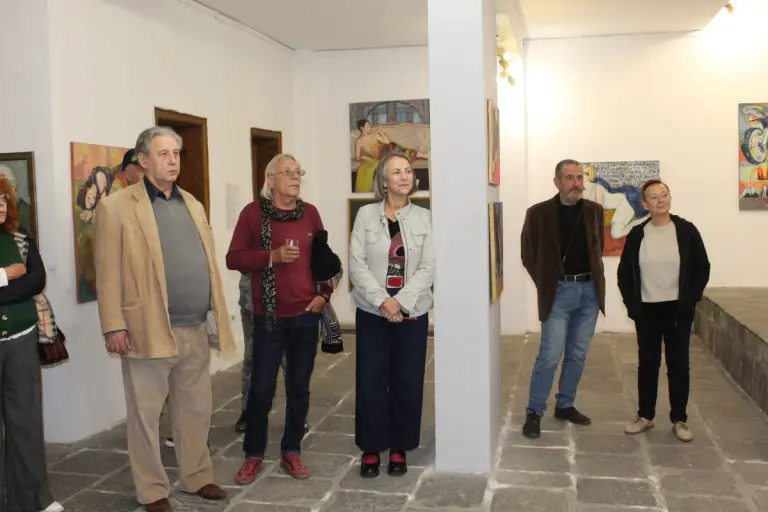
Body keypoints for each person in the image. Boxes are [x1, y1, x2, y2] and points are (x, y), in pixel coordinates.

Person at [93, 126, 234, 512]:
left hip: (194, 326)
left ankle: (197, 476)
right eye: (163, 154)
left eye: (176, 153)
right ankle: (153, 490)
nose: (172, 161)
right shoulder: (117, 207)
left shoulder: (193, 204)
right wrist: (113, 325)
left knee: (195, 409)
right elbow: (106, 273)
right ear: (143, 159)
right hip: (146, 330)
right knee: (146, 416)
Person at [227, 154, 332, 485]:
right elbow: (233, 258)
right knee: (260, 390)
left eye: (298, 172)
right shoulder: (252, 214)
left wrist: (324, 295)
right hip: (268, 317)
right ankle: (253, 455)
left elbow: (326, 261)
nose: (295, 177)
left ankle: (292, 451)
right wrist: (270, 257)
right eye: (288, 172)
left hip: (305, 316)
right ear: (270, 180)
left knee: (299, 388)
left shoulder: (310, 213)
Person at [349, 153, 434, 478]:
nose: (404, 176)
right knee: (371, 380)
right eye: (396, 172)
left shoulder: (424, 217)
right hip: (373, 312)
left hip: (412, 313)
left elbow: (428, 266)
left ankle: (400, 445)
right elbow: (356, 264)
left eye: (408, 171)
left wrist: (401, 302)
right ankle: (371, 447)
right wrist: (383, 301)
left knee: (407, 380)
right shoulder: (366, 215)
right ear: (383, 181)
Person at [618, 180, 710, 442]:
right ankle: (645, 416)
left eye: (664, 195)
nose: (660, 200)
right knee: (648, 363)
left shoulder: (686, 231)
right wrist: (632, 306)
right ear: (644, 204)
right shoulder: (637, 234)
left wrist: (691, 300)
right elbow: (625, 274)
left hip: (678, 310)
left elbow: (702, 267)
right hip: (647, 310)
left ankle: (679, 419)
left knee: (678, 365)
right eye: (654, 197)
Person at [520, 159, 606, 439]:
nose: (576, 183)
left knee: (578, 354)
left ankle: (565, 404)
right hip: (559, 293)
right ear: (557, 182)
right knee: (549, 355)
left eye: (579, 177)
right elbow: (528, 253)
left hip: (589, 293)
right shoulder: (538, 213)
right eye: (569, 178)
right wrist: (548, 284)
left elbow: (598, 249)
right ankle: (534, 411)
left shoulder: (594, 211)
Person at [0, 177, 62, 512]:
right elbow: (20, 280)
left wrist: (9, 286)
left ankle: (34, 500)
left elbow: (36, 279)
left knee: (25, 422)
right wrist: (6, 275)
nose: (0, 204)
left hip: (21, 339)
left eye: (2, 198)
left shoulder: (20, 237)